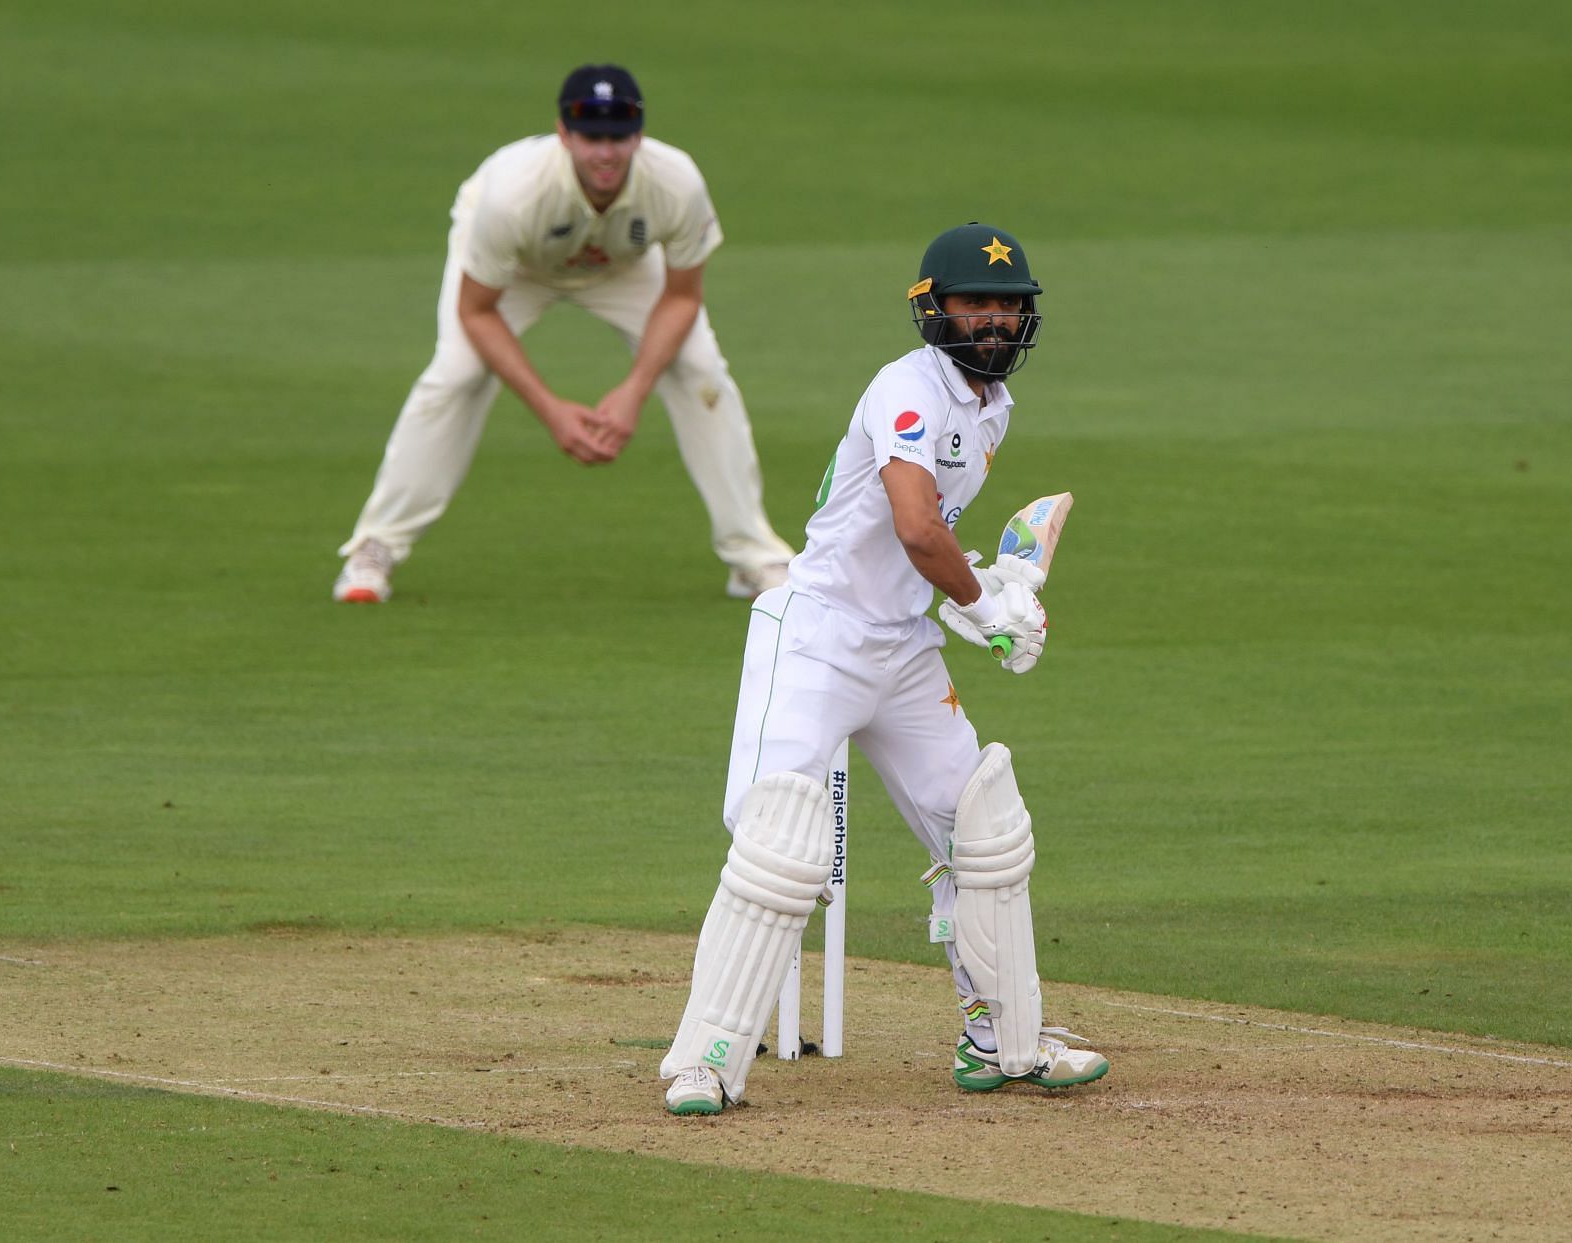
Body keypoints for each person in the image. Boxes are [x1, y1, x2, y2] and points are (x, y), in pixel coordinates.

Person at [658, 223, 1110, 1116]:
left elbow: (927, 536)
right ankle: (702, 1059)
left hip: (902, 648)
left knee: (983, 829)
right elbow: (911, 524)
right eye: (974, 303)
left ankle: (1001, 1042)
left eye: (1007, 305)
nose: (992, 320)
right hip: (818, 635)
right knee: (777, 839)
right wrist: (985, 607)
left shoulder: (992, 406)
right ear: (932, 309)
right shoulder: (907, 387)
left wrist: (986, 582)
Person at [332, 64, 795, 604]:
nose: (606, 152)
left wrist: (633, 390)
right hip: (516, 268)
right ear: (564, 134)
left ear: (638, 136)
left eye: (619, 137)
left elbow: (682, 297)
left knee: (699, 370)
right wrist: (551, 410)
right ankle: (375, 547)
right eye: (591, 137)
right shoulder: (511, 196)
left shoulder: (677, 181)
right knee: (457, 374)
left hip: (621, 266)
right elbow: (478, 311)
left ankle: (752, 558)